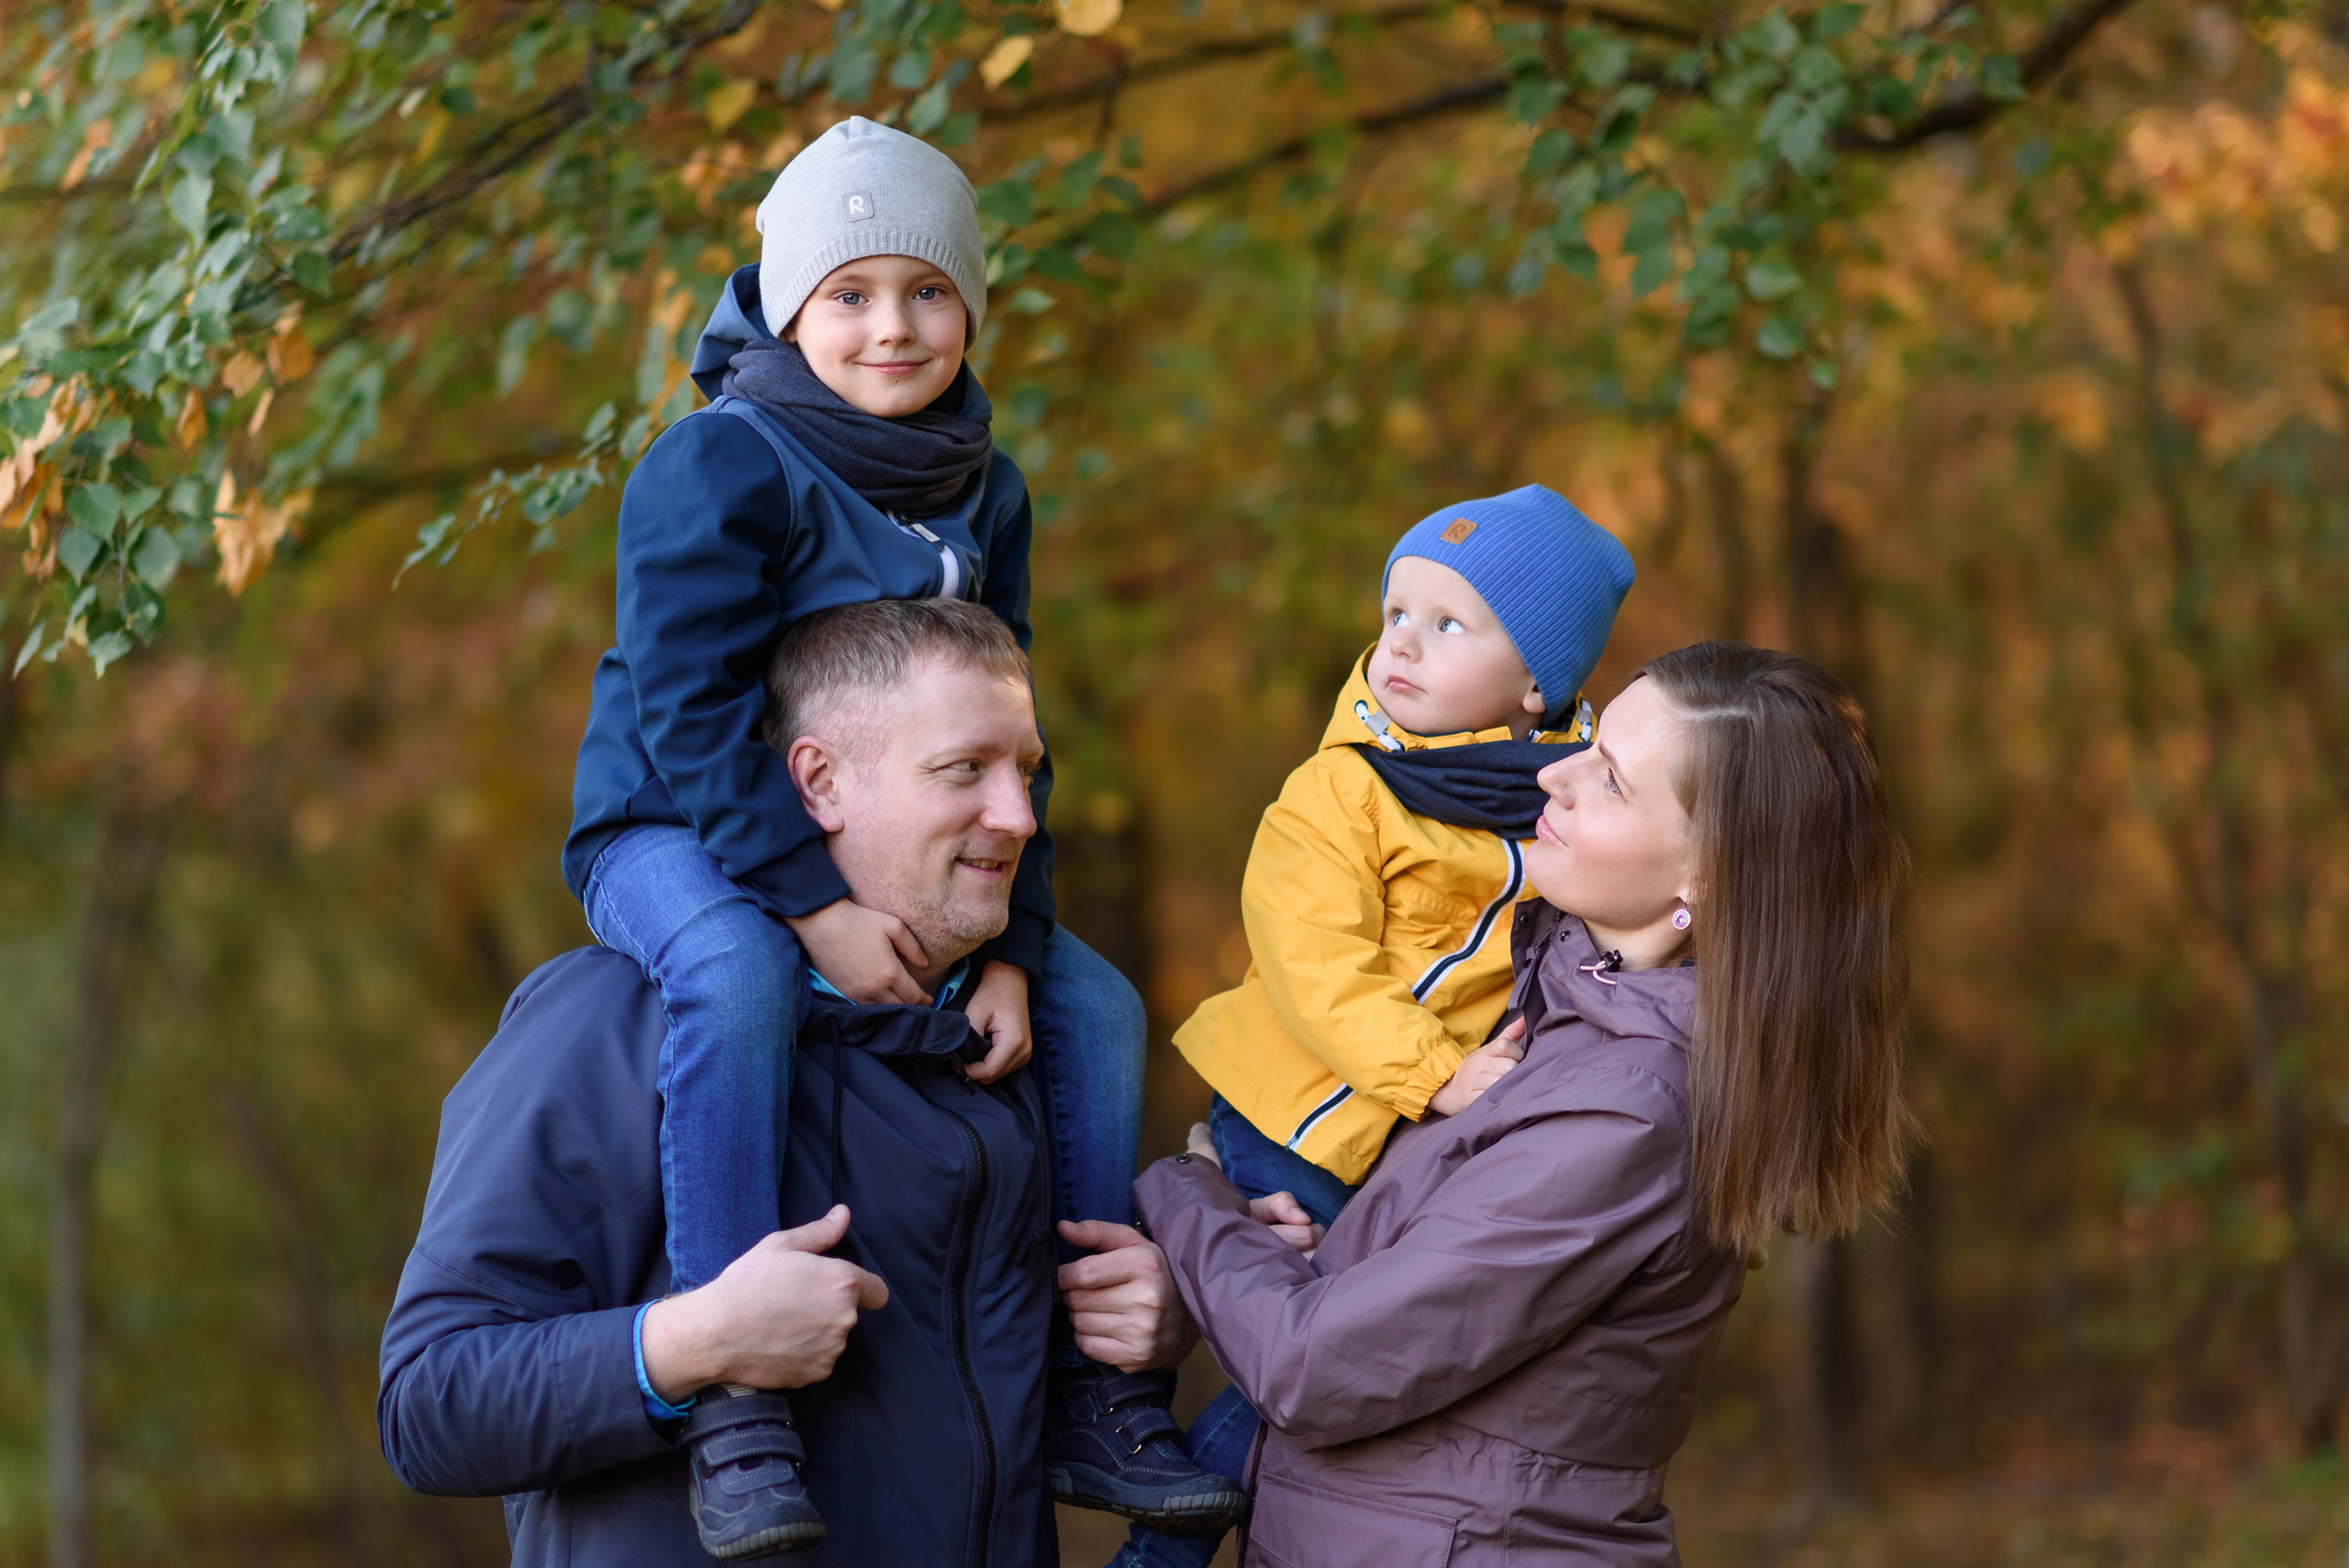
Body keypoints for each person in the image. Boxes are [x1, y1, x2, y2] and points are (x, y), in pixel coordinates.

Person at [557, 117, 1235, 1549]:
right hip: (672, 824)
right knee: (737, 980)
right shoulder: (719, 464)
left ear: (973, 309)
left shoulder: (985, 484)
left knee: (1098, 1010)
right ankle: (736, 1398)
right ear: (791, 301)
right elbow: (685, 710)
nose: (892, 326)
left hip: (884, 841)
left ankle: (1091, 1384)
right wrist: (808, 905)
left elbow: (1006, 734)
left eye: (929, 292)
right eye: (851, 293)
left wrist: (1014, 942)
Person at [382, 599, 1205, 1565]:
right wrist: (691, 1343)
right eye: (963, 770)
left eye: (1025, 769)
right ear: (818, 781)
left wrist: (1160, 1312)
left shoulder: (1022, 1050)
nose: (1019, 816)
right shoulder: (614, 1018)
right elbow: (429, 1403)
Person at [1068, 641, 1910, 1566]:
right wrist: (1272, 1247)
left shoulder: (1627, 1110)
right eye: (1587, 743)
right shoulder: (1535, 1008)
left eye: (1612, 782)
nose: (1553, 772)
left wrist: (1188, 1190)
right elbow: (1401, 1293)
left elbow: (1317, 1365)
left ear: (1703, 878)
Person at [1121, 485, 1633, 1566]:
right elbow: (1317, 968)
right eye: (1396, 611)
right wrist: (1440, 1077)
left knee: (1326, 1368)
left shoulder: (1555, 801)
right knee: (1304, 1355)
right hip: (1300, 1113)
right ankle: (1158, 1523)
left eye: (1449, 624)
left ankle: (1179, 1522)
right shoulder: (1340, 793)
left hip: (1397, 1123)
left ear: (1535, 683)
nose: (1401, 643)